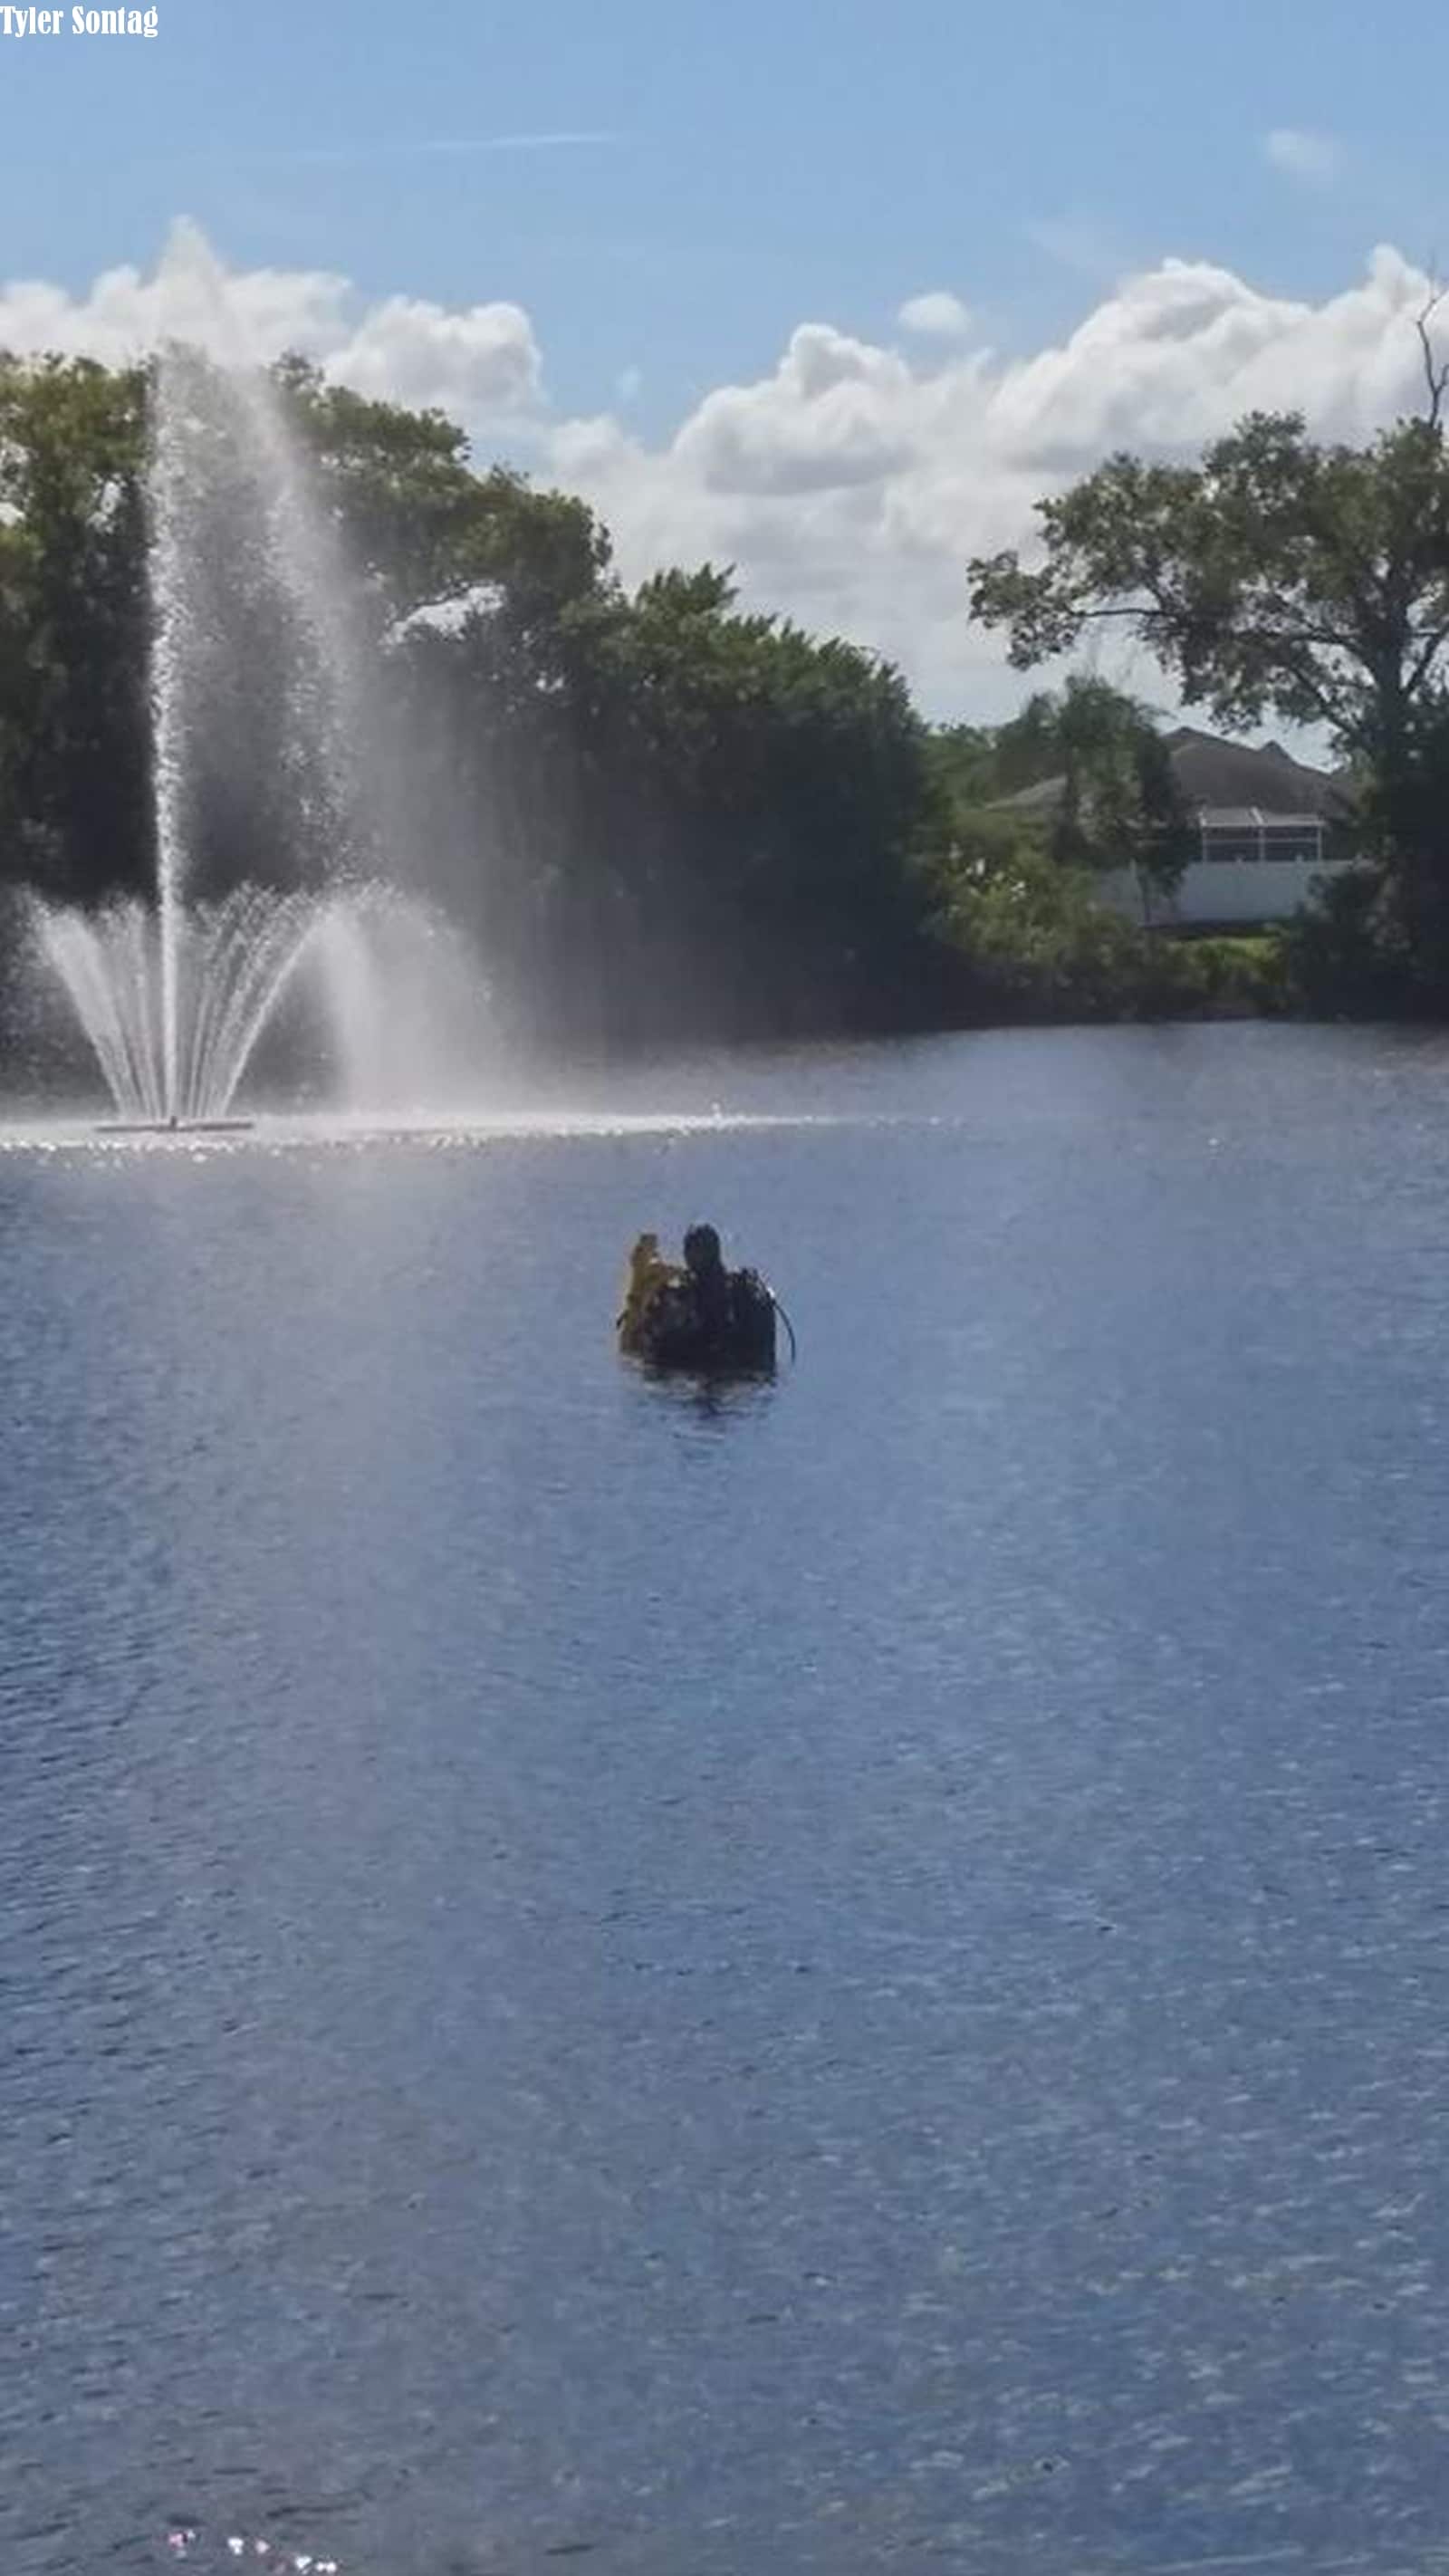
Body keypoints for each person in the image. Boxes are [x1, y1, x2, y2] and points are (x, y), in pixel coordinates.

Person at [617, 1221, 776, 1370]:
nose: (687, 1256)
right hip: (745, 1369)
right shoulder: (740, 1288)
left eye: (691, 1250)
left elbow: (673, 1343)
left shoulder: (702, 1293)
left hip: (707, 1366)